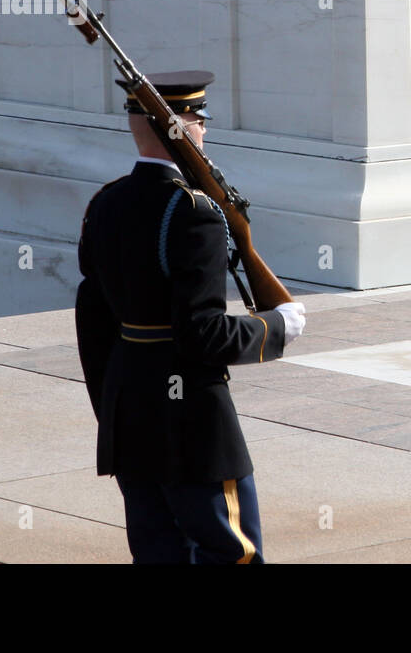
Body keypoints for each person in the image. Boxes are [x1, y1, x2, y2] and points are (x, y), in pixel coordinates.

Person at [74, 70, 306, 564]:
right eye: (199, 121)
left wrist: (111, 409)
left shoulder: (105, 202)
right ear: (183, 127)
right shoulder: (194, 211)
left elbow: (92, 324)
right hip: (193, 423)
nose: (204, 131)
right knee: (230, 552)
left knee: (158, 552)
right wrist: (278, 326)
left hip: (129, 416)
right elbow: (203, 333)